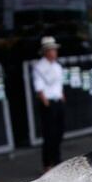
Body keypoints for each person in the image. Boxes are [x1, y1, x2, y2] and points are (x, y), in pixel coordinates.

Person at [32, 36, 65, 171]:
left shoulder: (57, 66)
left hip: (57, 100)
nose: (54, 53)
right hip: (48, 103)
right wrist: (44, 100)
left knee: (59, 132)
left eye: (54, 50)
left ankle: (57, 160)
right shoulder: (39, 67)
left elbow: (59, 83)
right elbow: (39, 86)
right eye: (51, 50)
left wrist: (62, 96)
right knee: (49, 133)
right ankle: (48, 163)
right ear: (46, 52)